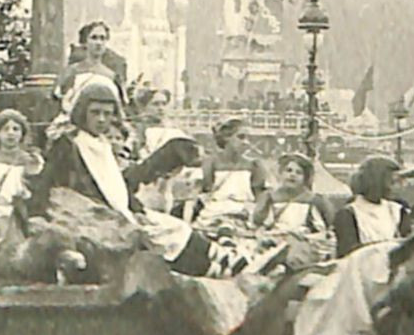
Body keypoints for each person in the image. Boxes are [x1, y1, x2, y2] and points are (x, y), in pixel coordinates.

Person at [30, 83, 256, 277]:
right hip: (89, 214)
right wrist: (36, 215)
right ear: (82, 112)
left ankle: (224, 260)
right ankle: (219, 266)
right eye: (95, 113)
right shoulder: (69, 144)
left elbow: (115, 186)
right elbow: (48, 180)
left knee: (174, 226)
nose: (101, 120)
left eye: (107, 114)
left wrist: (136, 209)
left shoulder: (102, 144)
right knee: (162, 234)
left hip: (115, 209)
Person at [332, 155, 408, 257]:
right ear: (376, 181)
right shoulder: (349, 214)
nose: (399, 187)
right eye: (393, 182)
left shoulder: (398, 211)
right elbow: (347, 254)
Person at [198, 118, 268, 227]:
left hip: (244, 212)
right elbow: (204, 190)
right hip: (215, 212)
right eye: (241, 137)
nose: (246, 142)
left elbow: (260, 195)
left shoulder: (254, 165)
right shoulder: (211, 163)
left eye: (248, 138)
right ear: (227, 138)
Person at [55, 21, 126, 116]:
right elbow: (60, 100)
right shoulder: (72, 72)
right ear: (85, 42)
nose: (99, 43)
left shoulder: (111, 76)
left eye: (102, 38)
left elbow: (119, 108)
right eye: (94, 38)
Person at [253, 151, 331, 235]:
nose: (293, 175)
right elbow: (262, 225)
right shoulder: (271, 197)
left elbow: (321, 230)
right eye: (289, 170)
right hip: (275, 238)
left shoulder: (312, 200)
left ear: (305, 178)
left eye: (299, 172)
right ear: (281, 173)